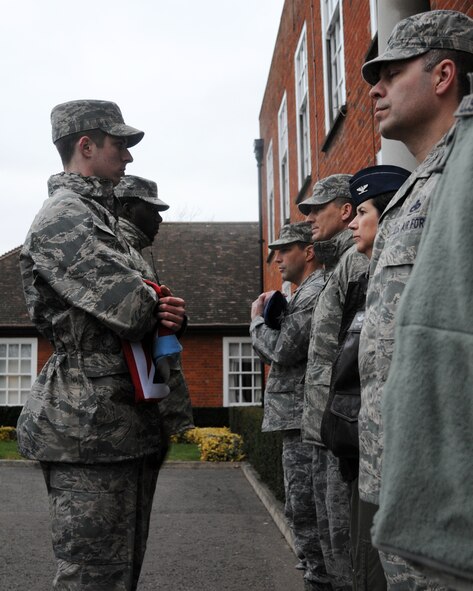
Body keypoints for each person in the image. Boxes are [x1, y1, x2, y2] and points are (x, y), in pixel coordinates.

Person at [17, 100, 186, 590]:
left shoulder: (101, 217)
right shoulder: (64, 218)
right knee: (92, 576)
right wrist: (156, 305)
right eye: (120, 145)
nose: (129, 158)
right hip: (86, 427)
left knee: (119, 573)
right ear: (86, 146)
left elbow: (153, 303)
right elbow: (134, 310)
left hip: (119, 420)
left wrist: (170, 310)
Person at [358, 9, 473, 589]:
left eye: (391, 72)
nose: (374, 89)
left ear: (443, 75)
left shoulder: (465, 171)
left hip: (448, 481)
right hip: (399, 466)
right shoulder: (420, 183)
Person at [320, 165, 410, 591]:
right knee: (362, 568)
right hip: (362, 451)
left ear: (389, 216)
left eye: (362, 211)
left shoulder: (400, 279)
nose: (351, 221)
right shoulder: (368, 279)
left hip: (395, 459)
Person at [298, 174, 368, 590]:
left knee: (345, 551)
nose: (308, 220)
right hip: (328, 428)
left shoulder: (356, 261)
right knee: (331, 546)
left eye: (316, 210)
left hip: (342, 429)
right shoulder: (339, 264)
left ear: (344, 211)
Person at [250, 221, 326, 590]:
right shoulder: (300, 293)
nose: (277, 257)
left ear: (308, 252)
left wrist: (254, 324)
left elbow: (281, 351)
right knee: (300, 510)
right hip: (296, 417)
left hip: (303, 418)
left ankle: (320, 578)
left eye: (285, 249)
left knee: (306, 511)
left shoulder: (314, 291)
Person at [115, 174, 194, 440]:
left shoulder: (135, 253)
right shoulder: (118, 252)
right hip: (131, 407)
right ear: (126, 209)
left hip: (146, 407)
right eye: (152, 210)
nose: (159, 219)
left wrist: (176, 321)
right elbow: (129, 321)